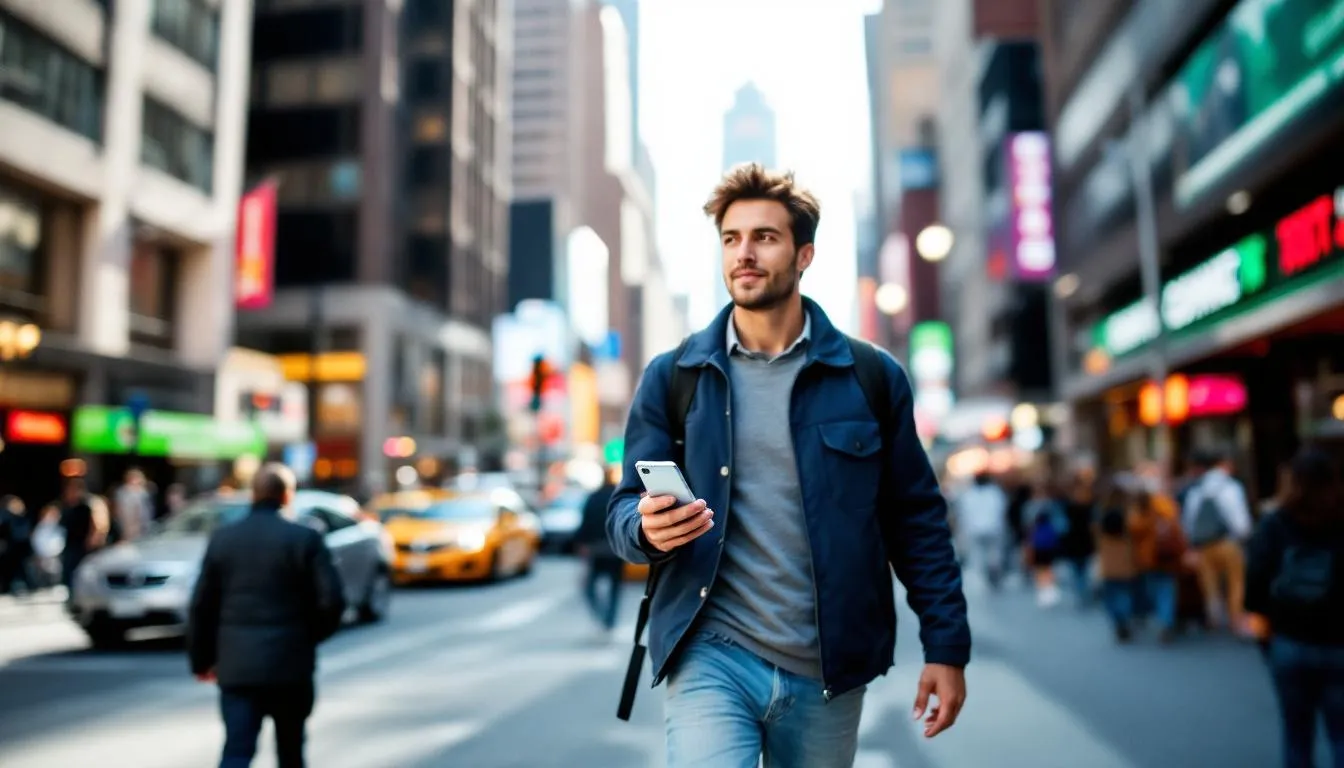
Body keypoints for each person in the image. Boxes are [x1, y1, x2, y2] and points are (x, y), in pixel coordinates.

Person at [606, 163, 970, 767]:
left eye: (764, 238)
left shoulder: (871, 377)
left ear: (804, 255)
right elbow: (622, 509)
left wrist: (946, 645)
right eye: (731, 239)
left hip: (826, 666)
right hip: (710, 653)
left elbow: (916, 521)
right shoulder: (674, 377)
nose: (743, 254)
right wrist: (643, 528)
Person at [188, 463, 346, 768]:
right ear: (287, 495)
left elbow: (202, 606)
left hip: (238, 667)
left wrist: (201, 660)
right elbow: (333, 601)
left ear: (254, 494)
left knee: (236, 751)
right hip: (290, 665)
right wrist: (308, 636)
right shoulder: (304, 538)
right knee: (291, 751)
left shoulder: (224, 539)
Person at [1245, 448, 1344, 768]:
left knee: (1296, 733)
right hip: (1338, 641)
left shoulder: (1276, 523)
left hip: (1289, 640)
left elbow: (1256, 581)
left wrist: (1264, 636)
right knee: (1341, 733)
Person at [1182, 449, 1254, 635]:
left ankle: (1214, 615)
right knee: (1235, 581)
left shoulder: (1197, 489)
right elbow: (1239, 518)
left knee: (1209, 582)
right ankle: (1235, 618)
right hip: (1227, 541)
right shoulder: (1230, 487)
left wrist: (1192, 541)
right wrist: (1245, 534)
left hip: (1204, 544)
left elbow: (1189, 519)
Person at [575, 468, 625, 639]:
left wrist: (582, 544)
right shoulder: (619, 496)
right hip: (615, 548)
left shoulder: (594, 497)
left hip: (596, 549)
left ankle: (604, 617)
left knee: (590, 587)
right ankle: (609, 619)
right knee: (614, 587)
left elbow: (585, 521)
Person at [1092, 484, 1137, 642]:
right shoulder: (1129, 516)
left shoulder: (1102, 516)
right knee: (1124, 594)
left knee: (1111, 596)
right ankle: (1124, 619)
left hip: (1108, 564)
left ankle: (1118, 620)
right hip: (1125, 563)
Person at [56, 478, 109, 597]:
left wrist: (94, 539)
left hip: (85, 546)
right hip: (71, 544)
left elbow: (100, 524)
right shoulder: (67, 505)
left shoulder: (90, 503)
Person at [955, 473, 1009, 589]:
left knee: (981, 554)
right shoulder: (995, 492)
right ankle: (993, 572)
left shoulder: (969, 494)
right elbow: (1001, 510)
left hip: (975, 529)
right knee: (994, 553)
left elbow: (963, 513)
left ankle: (989, 573)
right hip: (993, 528)